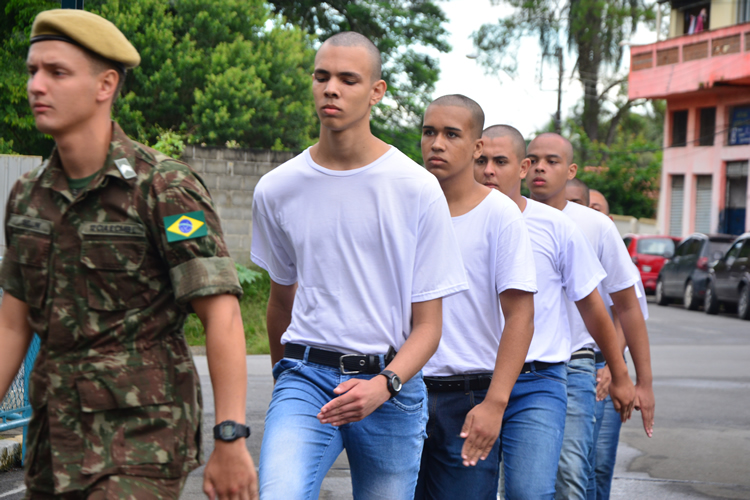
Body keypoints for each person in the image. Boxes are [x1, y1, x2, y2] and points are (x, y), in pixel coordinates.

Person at [0, 9, 257, 500]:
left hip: (142, 441)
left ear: (105, 85)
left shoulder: (163, 186)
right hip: (51, 443)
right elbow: (14, 324)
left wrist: (231, 435)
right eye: (33, 70)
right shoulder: (28, 196)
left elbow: (221, 315)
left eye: (57, 72)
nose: (37, 85)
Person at [251, 33, 468, 500]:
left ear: (377, 92)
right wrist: (282, 380)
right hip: (306, 377)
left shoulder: (416, 188)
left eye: (349, 79)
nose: (332, 89)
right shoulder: (277, 187)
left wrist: (384, 385)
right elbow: (280, 301)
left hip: (391, 385)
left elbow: (429, 326)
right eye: (322, 76)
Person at [472, 125, 635, 499]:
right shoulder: (451, 220)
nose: (489, 171)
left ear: (522, 167)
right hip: (471, 383)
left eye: (500, 161)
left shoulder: (556, 226)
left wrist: (621, 374)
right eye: (481, 161)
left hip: (538, 381)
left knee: (532, 491)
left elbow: (595, 307)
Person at [414, 98, 537, 499]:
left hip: (468, 398)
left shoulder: (500, 215)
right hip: (402, 391)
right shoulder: (403, 205)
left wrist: (495, 404)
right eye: (429, 132)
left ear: (477, 146)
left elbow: (520, 315)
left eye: (452, 134)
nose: (437, 143)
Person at [526, 133, 655, 500]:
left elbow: (628, 305)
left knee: (572, 476)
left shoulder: (595, 226)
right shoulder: (507, 216)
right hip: (514, 367)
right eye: (533, 159)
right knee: (521, 483)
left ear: (571, 171)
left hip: (576, 367)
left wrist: (636, 380)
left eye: (551, 161)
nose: (540, 167)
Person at [565, 182, 650, 500]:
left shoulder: (602, 240)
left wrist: (615, 368)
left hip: (602, 361)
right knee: (571, 466)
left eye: (587, 205)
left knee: (594, 462)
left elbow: (627, 312)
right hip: (570, 361)